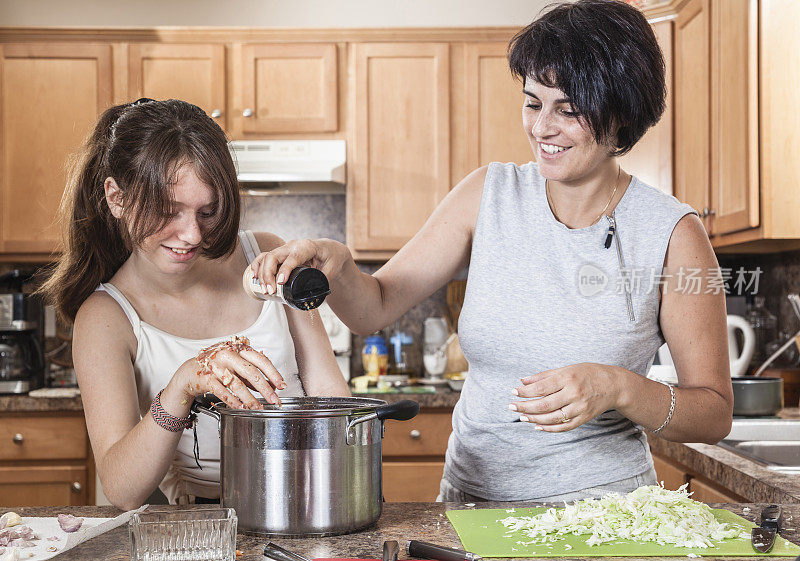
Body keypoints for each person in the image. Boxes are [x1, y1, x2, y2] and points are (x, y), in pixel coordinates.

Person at [249, 0, 733, 503]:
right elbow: (373, 306)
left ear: (622, 114)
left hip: (602, 517)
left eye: (567, 110)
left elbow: (714, 412)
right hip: (472, 505)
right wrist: (340, 266)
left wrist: (620, 388)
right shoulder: (487, 193)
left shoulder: (674, 233)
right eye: (532, 102)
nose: (542, 127)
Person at [39, 98, 349, 509]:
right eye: (169, 211)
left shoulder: (266, 256)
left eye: (208, 211)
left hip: (309, 495)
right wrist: (183, 384)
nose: (192, 235)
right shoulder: (105, 317)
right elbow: (122, 487)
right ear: (116, 197)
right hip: (202, 525)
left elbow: (332, 401)